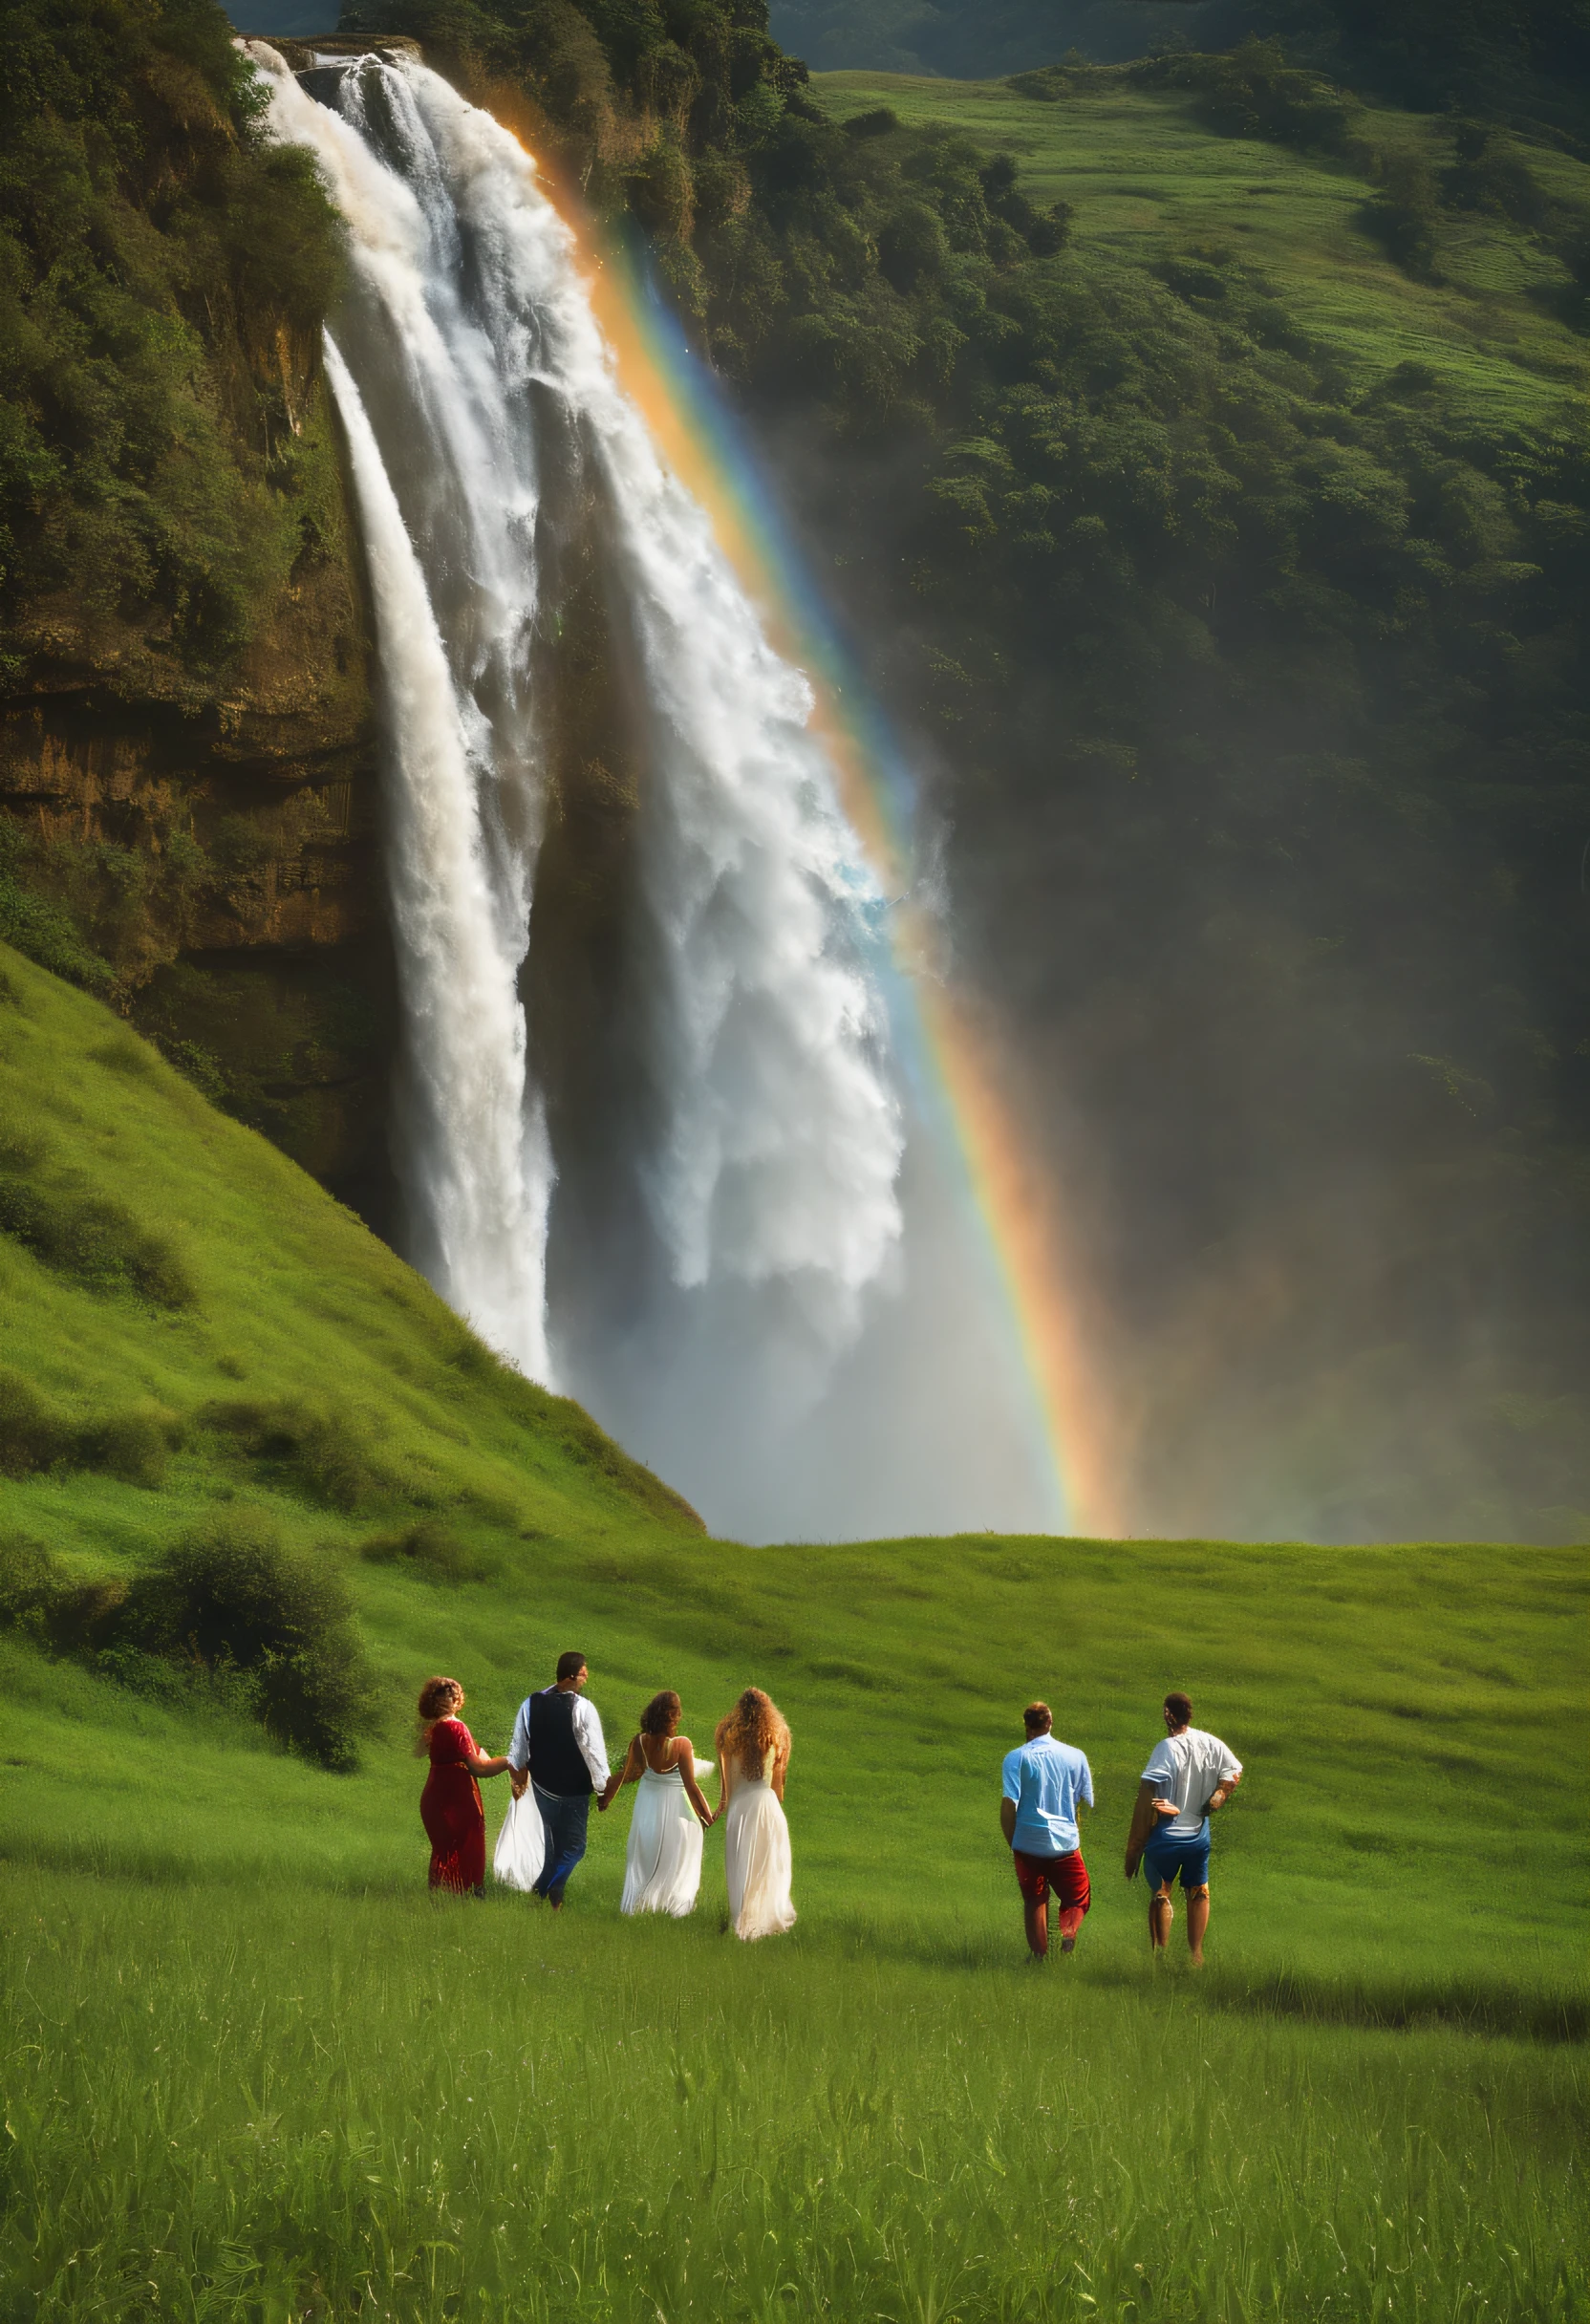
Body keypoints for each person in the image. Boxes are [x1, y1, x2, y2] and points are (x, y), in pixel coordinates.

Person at [1124, 1690, 1243, 1967]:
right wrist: (1213, 1803)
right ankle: (1196, 1956)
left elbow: (1146, 1796)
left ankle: (1161, 1957)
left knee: (1161, 1893)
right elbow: (1234, 1772)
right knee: (1199, 1890)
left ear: (1168, 1713)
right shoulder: (1210, 1743)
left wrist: (1133, 1849)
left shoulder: (1166, 1748)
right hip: (1199, 1835)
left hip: (1166, 1835)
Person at [506, 1651, 620, 1909]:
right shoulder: (583, 1708)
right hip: (573, 1792)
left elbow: (519, 1749)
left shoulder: (530, 1704)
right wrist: (603, 1790)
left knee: (552, 1850)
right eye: (583, 1671)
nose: (586, 1675)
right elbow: (595, 1753)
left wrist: (521, 1777)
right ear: (571, 1675)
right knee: (575, 1849)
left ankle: (554, 1903)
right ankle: (543, 1891)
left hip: (542, 1789)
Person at [999, 1701, 1094, 1961]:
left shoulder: (1015, 1758)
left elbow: (1009, 1805)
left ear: (1026, 1725)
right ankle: (1068, 1932)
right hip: (1065, 1842)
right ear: (1050, 1722)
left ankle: (1038, 1955)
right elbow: (1081, 1803)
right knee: (1077, 1897)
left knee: (1034, 1899)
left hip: (1027, 1841)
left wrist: (1014, 1842)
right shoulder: (1076, 1756)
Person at [612, 1689, 717, 1918]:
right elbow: (691, 1786)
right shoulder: (682, 1745)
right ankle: (673, 1903)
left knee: (645, 1851)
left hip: (648, 1803)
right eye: (677, 1711)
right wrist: (707, 1816)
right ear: (673, 1715)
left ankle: (642, 1902)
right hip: (675, 1804)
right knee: (679, 1852)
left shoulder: (640, 1742)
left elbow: (632, 1774)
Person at [715, 1687, 795, 1941]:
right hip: (767, 1807)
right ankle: (767, 1921)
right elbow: (778, 1790)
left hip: (740, 1808)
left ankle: (741, 1921)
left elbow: (726, 1788)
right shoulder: (776, 1738)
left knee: (741, 1866)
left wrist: (720, 1808)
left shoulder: (728, 1737)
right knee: (770, 1866)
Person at [417, 1675, 509, 1895]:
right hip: (457, 1798)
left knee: (444, 1853)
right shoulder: (456, 1728)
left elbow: (480, 1755)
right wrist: (509, 1761)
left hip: (435, 1796)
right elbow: (480, 1767)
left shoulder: (432, 1729)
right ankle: (465, 1897)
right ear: (456, 1700)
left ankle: (441, 1900)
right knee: (465, 1849)